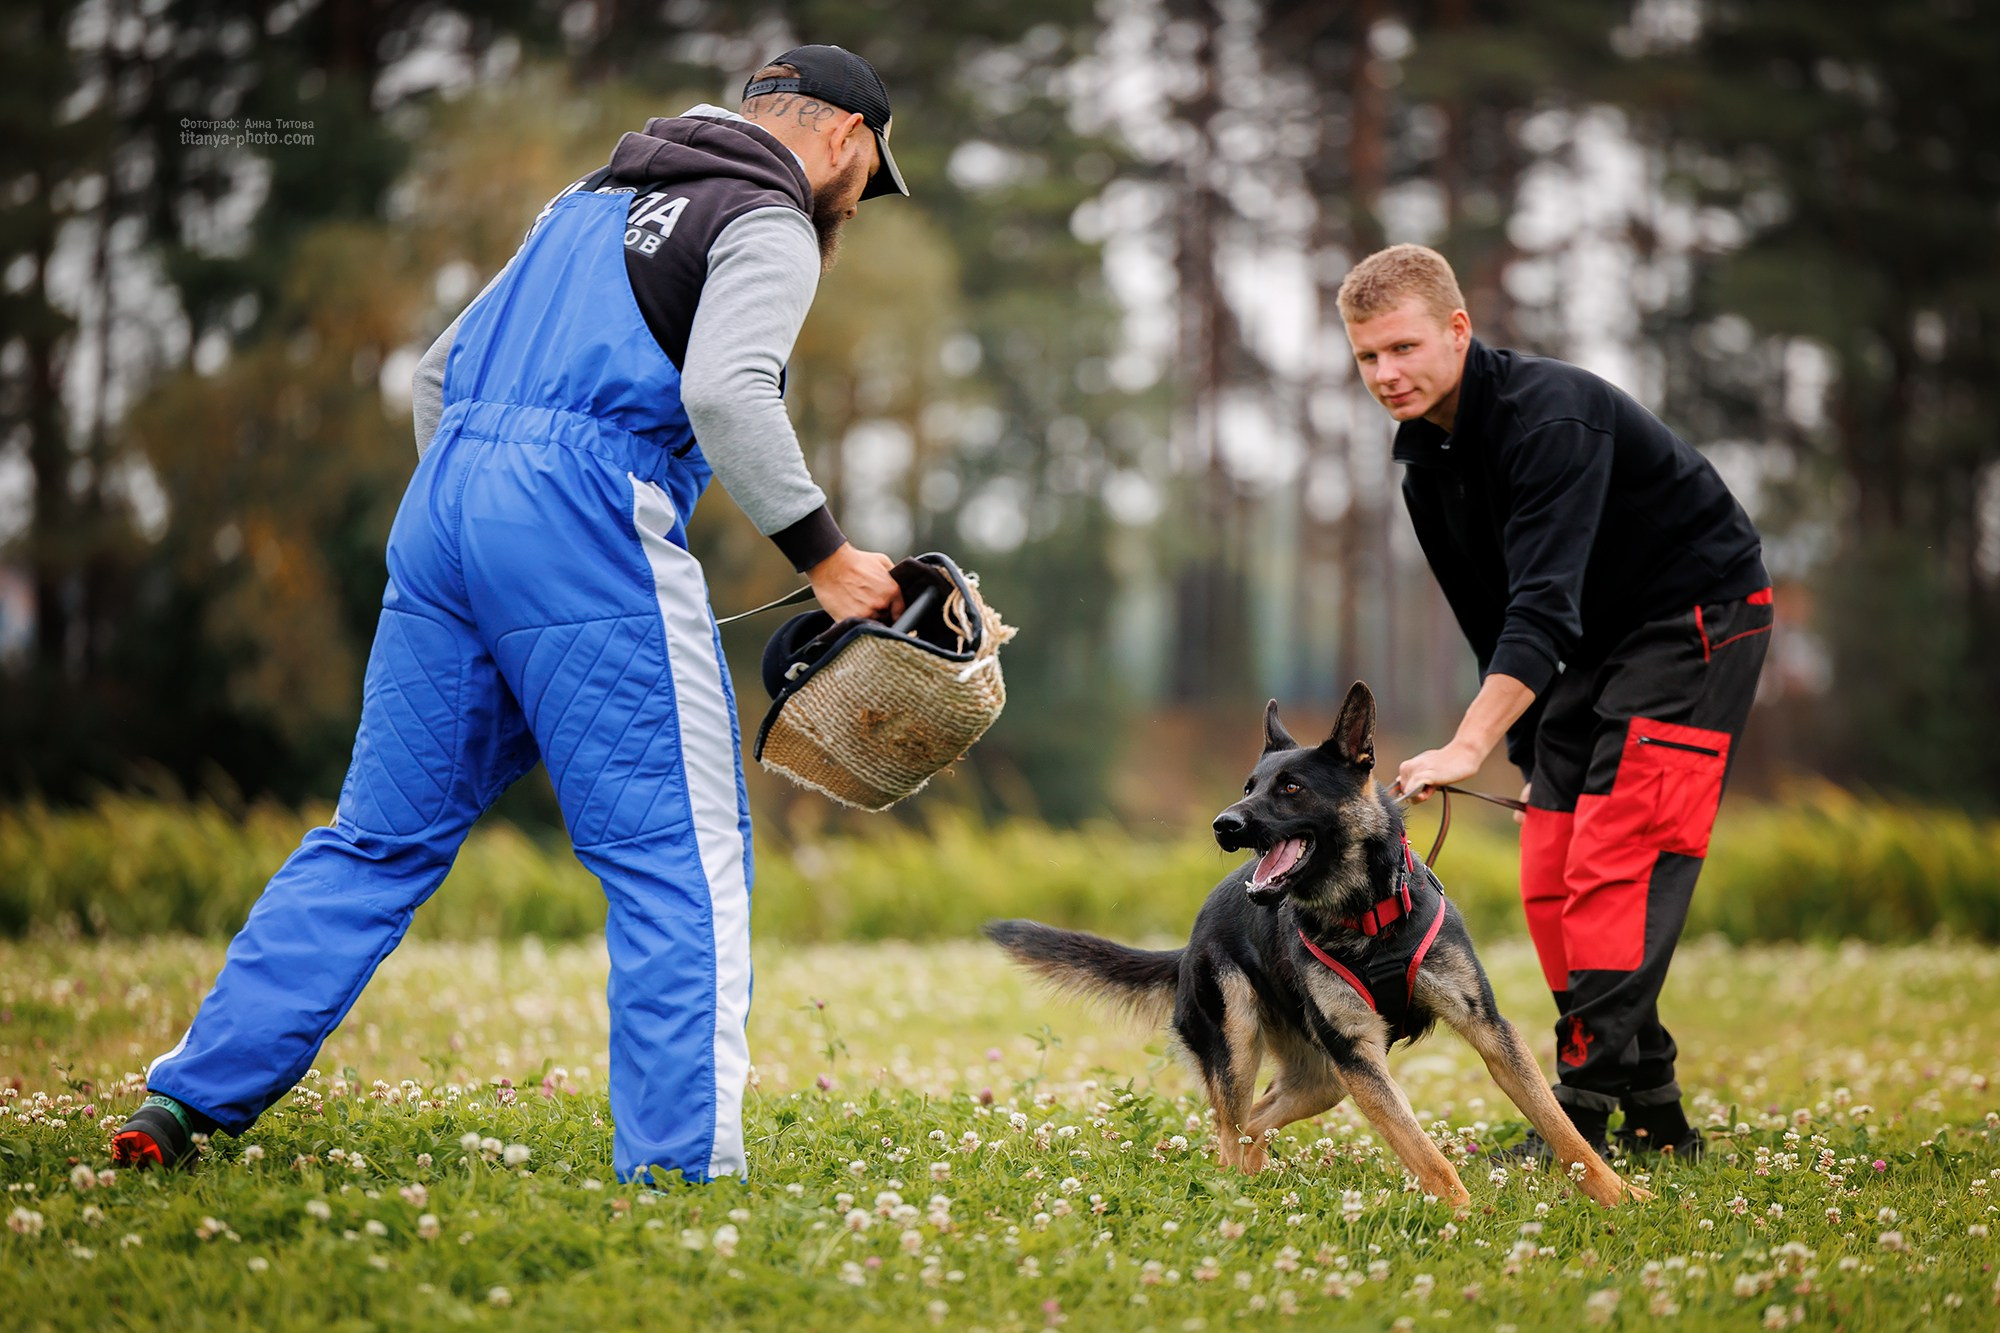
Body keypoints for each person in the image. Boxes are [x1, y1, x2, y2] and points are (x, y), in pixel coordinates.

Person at [115, 45, 910, 1185]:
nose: (858, 199)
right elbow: (727, 391)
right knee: (675, 857)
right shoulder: (768, 215)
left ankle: (186, 1102)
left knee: (377, 837)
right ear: (842, 134)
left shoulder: (587, 197)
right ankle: (682, 1180)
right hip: (581, 512)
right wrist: (825, 558)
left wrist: (486, 522)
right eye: (869, 172)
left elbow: (434, 375)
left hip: (445, 510)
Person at [1340, 244, 1771, 1161]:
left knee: (1616, 860)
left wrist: (1469, 743)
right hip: (1588, 644)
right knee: (1551, 867)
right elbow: (1495, 618)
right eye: (1368, 357)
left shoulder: (1552, 418)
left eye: (1405, 348)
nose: (1387, 374)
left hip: (1695, 614)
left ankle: (1577, 1117)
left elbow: (1541, 607)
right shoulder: (1426, 462)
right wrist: (1533, 746)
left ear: (1459, 330)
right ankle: (1653, 1109)